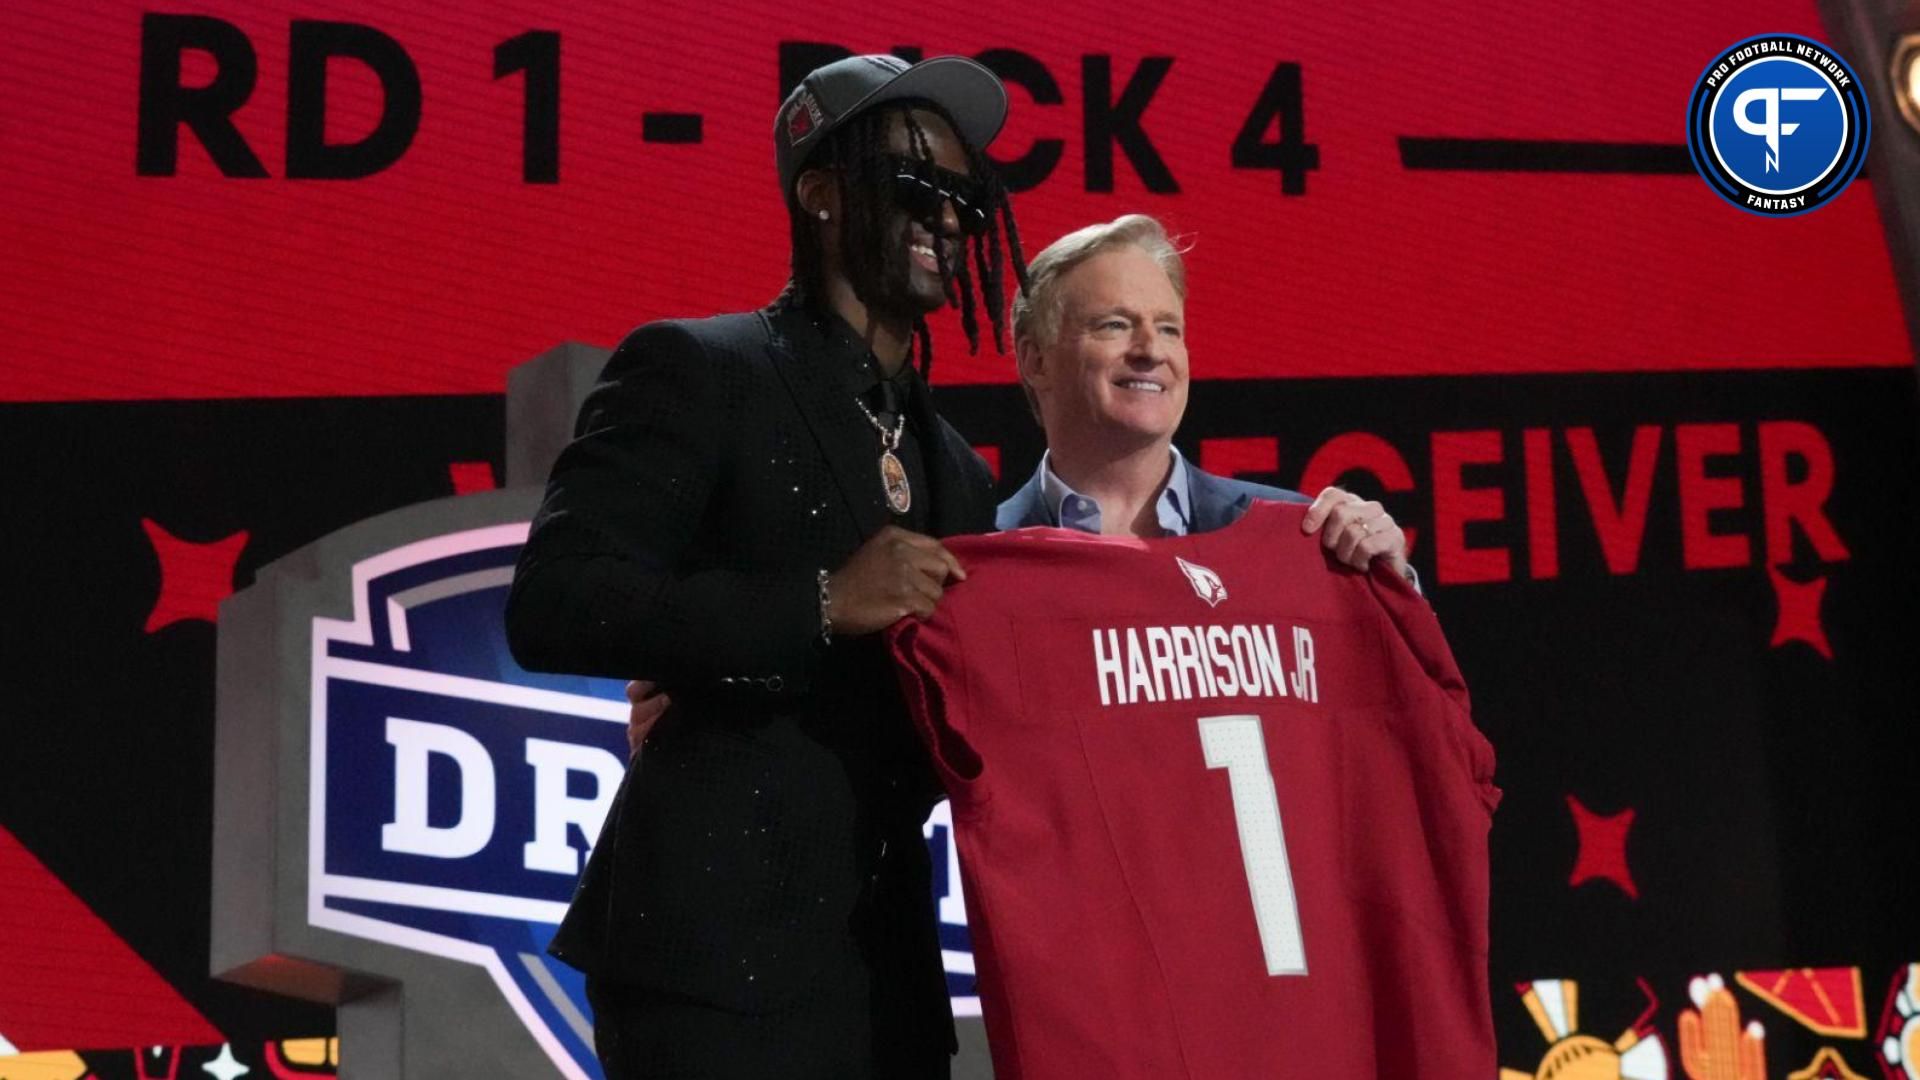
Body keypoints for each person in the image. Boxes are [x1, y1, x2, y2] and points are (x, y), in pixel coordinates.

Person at [506, 54, 1029, 1080]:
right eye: (914, 184)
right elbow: (557, 600)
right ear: (822, 194)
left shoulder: (960, 470)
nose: (952, 217)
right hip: (710, 964)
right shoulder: (701, 369)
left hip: (886, 980)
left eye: (965, 195)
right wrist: (824, 603)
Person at [999, 212, 1416, 564]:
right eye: (1116, 325)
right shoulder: (979, 554)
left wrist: (1391, 581)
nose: (1151, 351)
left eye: (1168, 329)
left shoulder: (1300, 536)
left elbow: (1396, 658)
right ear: (1036, 361)